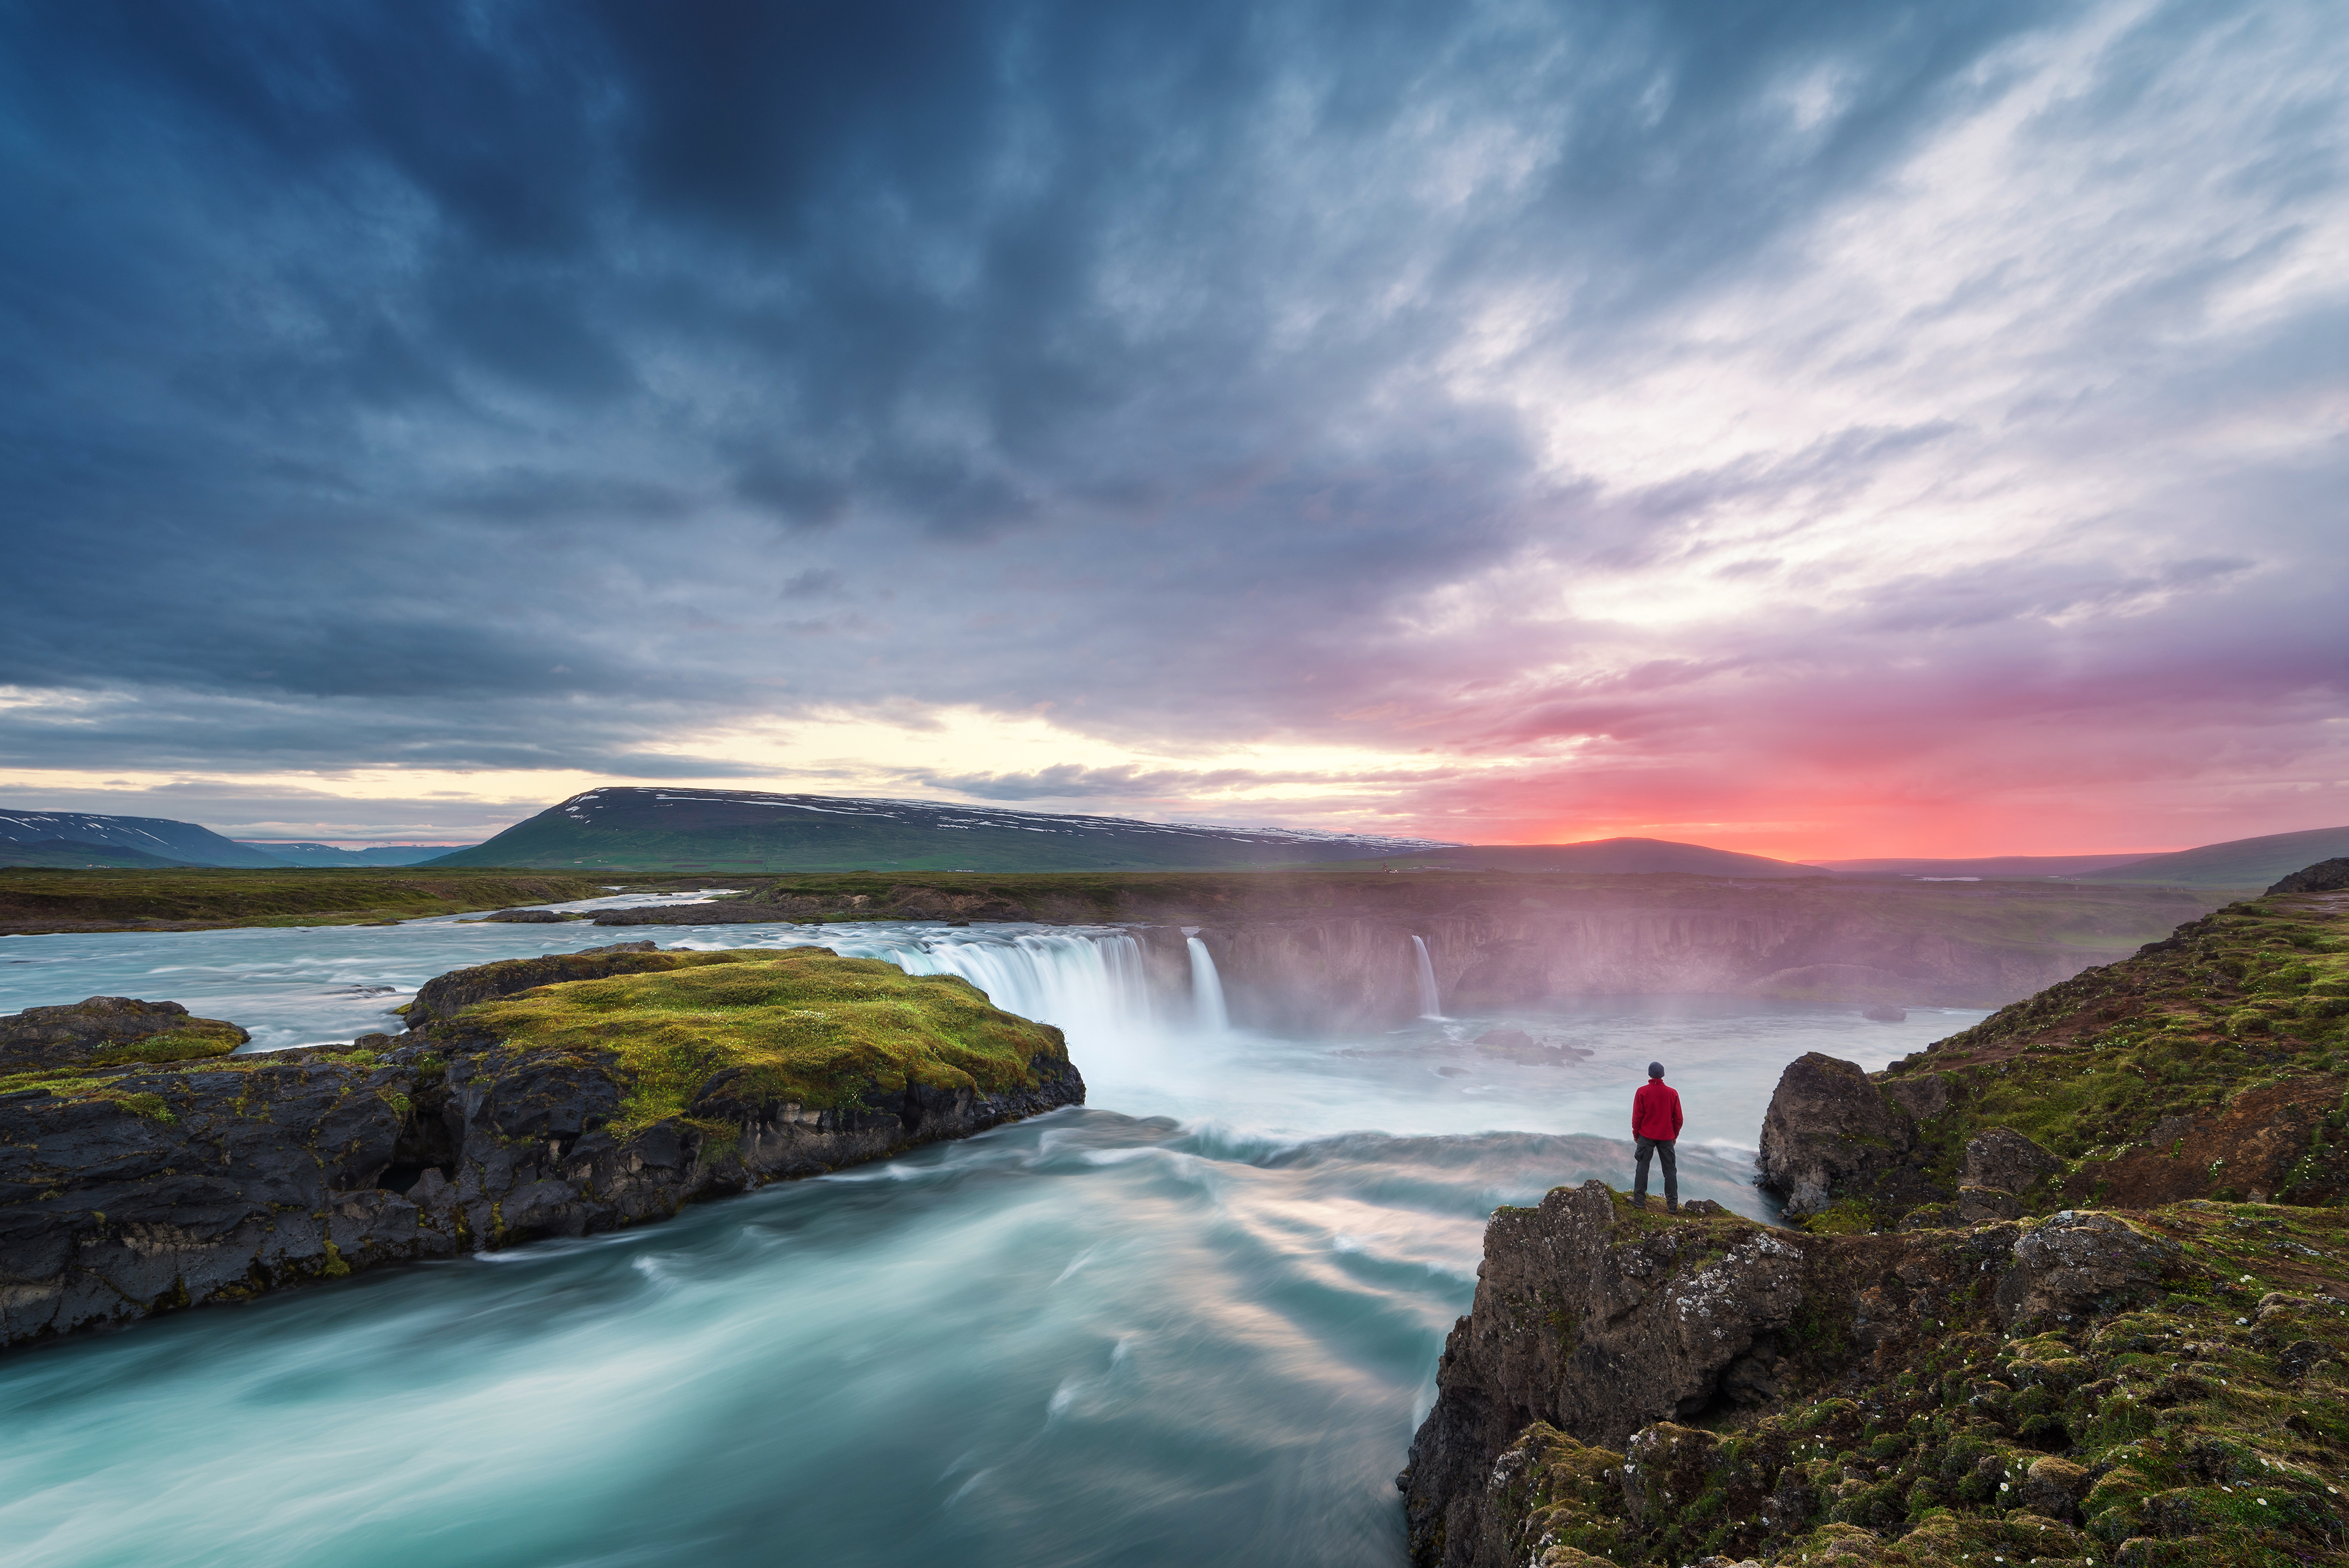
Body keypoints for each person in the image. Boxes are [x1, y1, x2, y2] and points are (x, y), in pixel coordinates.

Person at [1631, 1060, 1682, 1213]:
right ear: (1663, 1074)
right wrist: (1675, 1135)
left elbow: (1637, 1117)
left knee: (1642, 1167)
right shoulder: (1672, 1093)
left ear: (1649, 1074)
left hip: (1646, 1135)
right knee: (1670, 1171)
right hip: (1666, 1136)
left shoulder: (1642, 1092)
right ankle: (1672, 1206)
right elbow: (1678, 1118)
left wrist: (1636, 1133)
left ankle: (1639, 1200)